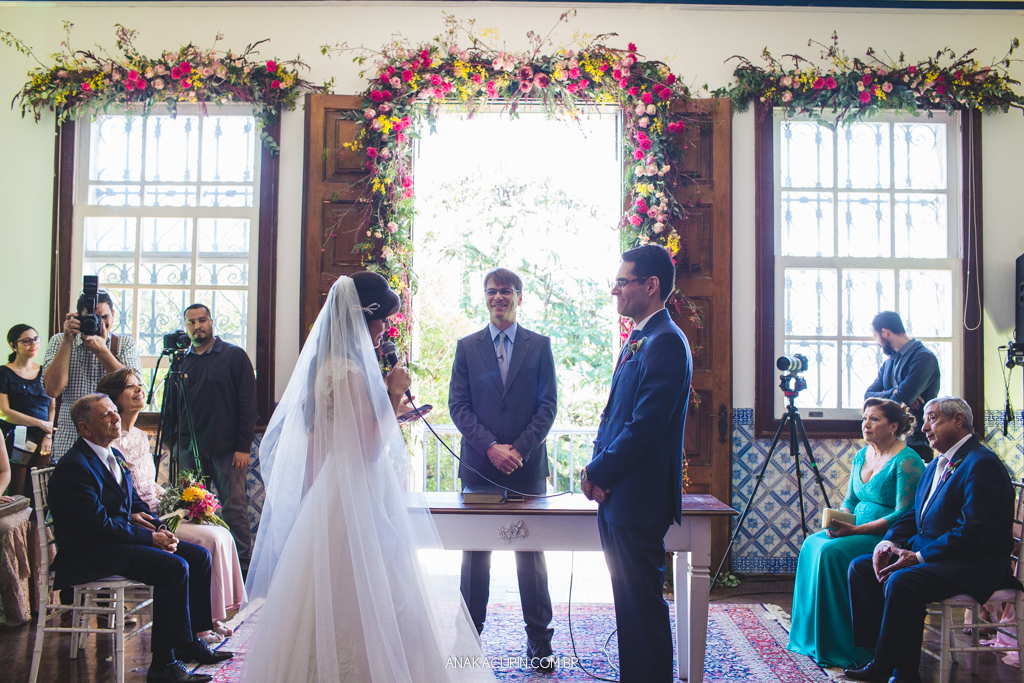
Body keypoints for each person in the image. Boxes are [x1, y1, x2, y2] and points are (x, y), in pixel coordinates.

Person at [242, 273, 494, 683]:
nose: (384, 331)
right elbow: (369, 447)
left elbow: (331, 439)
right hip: (355, 494)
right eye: (382, 322)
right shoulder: (350, 373)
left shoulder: (326, 368)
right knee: (368, 585)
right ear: (365, 318)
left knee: (330, 587)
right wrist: (394, 393)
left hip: (333, 489)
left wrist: (394, 412)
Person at [47, 394, 233, 683]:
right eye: (106, 414)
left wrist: (158, 528)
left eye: (114, 411)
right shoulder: (75, 467)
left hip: (117, 541)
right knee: (173, 567)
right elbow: (97, 526)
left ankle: (189, 642)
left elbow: (135, 505)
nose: (115, 417)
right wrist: (149, 540)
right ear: (85, 429)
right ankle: (163, 665)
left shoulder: (115, 456)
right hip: (90, 551)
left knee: (197, 556)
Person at [845, 397, 1023, 683]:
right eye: (925, 419)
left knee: (903, 581)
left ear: (958, 421)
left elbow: (975, 531)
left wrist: (916, 557)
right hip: (940, 557)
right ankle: (877, 656)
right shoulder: (938, 463)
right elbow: (913, 512)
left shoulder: (982, 464)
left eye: (932, 418)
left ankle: (903, 673)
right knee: (862, 568)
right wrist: (888, 543)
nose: (924, 427)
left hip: (976, 563)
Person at [581, 244, 692, 682]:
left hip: (638, 497)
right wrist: (595, 470)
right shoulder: (642, 334)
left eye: (623, 281)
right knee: (628, 604)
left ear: (651, 285)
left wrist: (601, 472)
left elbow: (645, 425)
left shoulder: (665, 340)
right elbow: (615, 413)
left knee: (642, 606)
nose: (615, 290)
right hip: (619, 495)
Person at [448, 267, 558, 671]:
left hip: (528, 470)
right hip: (479, 467)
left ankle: (540, 644)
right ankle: (469, 641)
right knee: (475, 556)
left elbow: (548, 407)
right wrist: (491, 447)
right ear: (485, 296)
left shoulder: (540, 346)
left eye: (506, 291)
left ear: (519, 296)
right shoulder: (467, 347)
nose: (499, 297)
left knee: (531, 555)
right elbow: (458, 406)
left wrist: (520, 450)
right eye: (492, 291)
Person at [97, 368, 245, 643]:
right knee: (206, 539)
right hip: (140, 516)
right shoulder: (110, 442)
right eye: (131, 387)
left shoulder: (140, 436)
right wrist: (155, 512)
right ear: (115, 397)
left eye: (139, 384)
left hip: (158, 506)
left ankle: (217, 615)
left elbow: (149, 483)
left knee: (221, 532)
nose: (140, 389)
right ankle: (201, 622)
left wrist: (182, 500)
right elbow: (121, 491)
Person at [787, 398, 925, 667]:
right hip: (854, 529)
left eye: (874, 419)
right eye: (865, 418)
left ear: (893, 426)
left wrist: (856, 530)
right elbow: (850, 500)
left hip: (884, 538)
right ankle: (811, 638)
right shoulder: (862, 455)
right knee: (812, 544)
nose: (866, 424)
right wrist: (836, 523)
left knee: (829, 552)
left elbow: (903, 513)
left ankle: (842, 643)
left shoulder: (908, 460)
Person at [170, 304, 256, 570]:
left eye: (202, 320)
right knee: (191, 508)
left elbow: (247, 403)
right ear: (186, 327)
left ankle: (241, 566)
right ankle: (200, 562)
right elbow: (172, 406)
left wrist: (243, 447)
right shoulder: (181, 361)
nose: (198, 326)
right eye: (191, 322)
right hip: (188, 447)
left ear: (211, 321)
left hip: (228, 449)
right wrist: (173, 444)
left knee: (234, 508)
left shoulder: (233, 356)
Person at [43, 289, 141, 461]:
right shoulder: (59, 341)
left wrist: (102, 351)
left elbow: (135, 387)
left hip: (115, 439)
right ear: (77, 318)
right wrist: (67, 341)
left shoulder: (124, 344)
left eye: (104, 317)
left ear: (113, 315)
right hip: (70, 438)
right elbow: (52, 390)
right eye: (92, 317)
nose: (98, 323)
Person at [864, 311, 941, 463]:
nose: (877, 343)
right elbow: (868, 396)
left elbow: (902, 399)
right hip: (889, 442)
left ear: (885, 333)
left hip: (916, 442)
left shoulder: (924, 358)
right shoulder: (888, 364)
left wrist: (898, 396)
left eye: (876, 337)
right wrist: (893, 392)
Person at [1, 324, 54, 496]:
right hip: (18, 435)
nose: (33, 344)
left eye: (35, 339)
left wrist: (48, 434)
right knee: (18, 485)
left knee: (40, 486)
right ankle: (17, 522)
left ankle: (35, 523)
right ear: (13, 345)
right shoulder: (4, 372)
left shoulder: (45, 371)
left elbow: (52, 406)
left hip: (44, 438)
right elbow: (5, 411)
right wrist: (40, 424)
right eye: (26, 341)